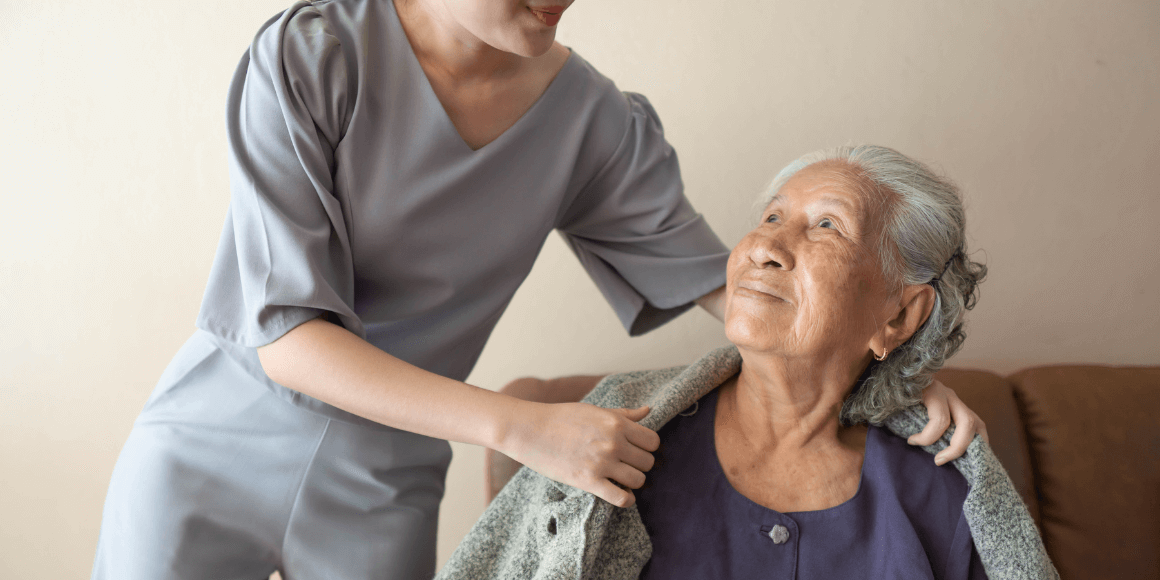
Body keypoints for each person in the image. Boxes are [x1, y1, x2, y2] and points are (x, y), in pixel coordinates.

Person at [90, 0, 986, 574]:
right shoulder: (314, 55)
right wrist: (521, 428)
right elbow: (284, 338)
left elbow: (731, 279)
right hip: (207, 455)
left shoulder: (593, 120)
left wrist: (899, 359)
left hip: (386, 483)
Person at [437, 145, 1057, 580]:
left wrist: (906, 379)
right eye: (770, 216)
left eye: (826, 226)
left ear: (898, 316)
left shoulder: (944, 483)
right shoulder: (615, 429)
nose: (764, 245)